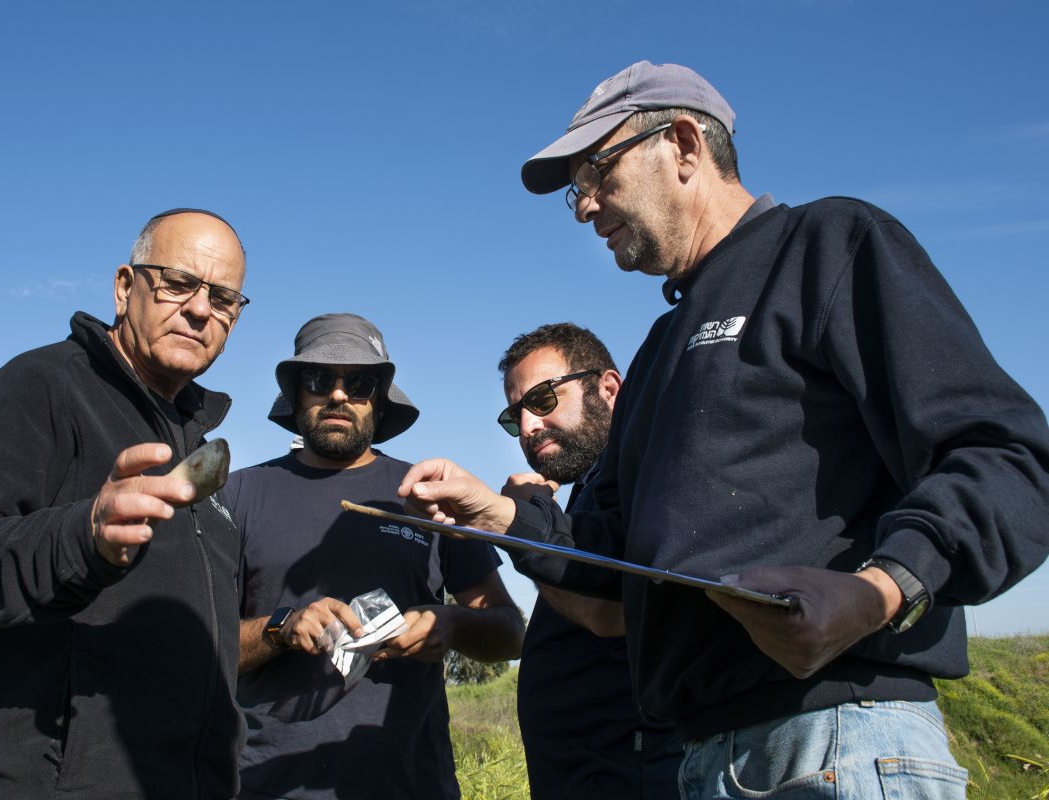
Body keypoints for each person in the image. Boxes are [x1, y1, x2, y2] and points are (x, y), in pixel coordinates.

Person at [399, 61, 1049, 799]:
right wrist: (496, 513)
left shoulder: (827, 245)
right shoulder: (657, 351)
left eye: (597, 174)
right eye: (576, 190)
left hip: (840, 737)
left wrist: (878, 590)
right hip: (699, 761)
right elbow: (614, 572)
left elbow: (1007, 457)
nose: (584, 207)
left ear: (681, 144)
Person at [0, 208, 250, 799]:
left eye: (222, 299)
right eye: (178, 283)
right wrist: (81, 538)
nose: (199, 309)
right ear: (124, 286)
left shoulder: (196, 446)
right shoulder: (38, 388)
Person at [224, 312, 525, 800]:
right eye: (320, 379)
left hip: (412, 784)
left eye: (359, 382)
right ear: (298, 394)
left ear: (379, 401)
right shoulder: (240, 495)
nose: (339, 395)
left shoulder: (430, 496)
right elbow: (201, 648)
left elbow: (509, 632)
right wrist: (281, 628)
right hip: (267, 785)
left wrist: (450, 624)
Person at [497, 322, 683, 799]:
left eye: (542, 400)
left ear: (608, 389)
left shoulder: (640, 471)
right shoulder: (589, 489)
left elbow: (611, 611)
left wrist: (519, 524)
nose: (527, 427)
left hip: (629, 770)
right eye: (514, 415)